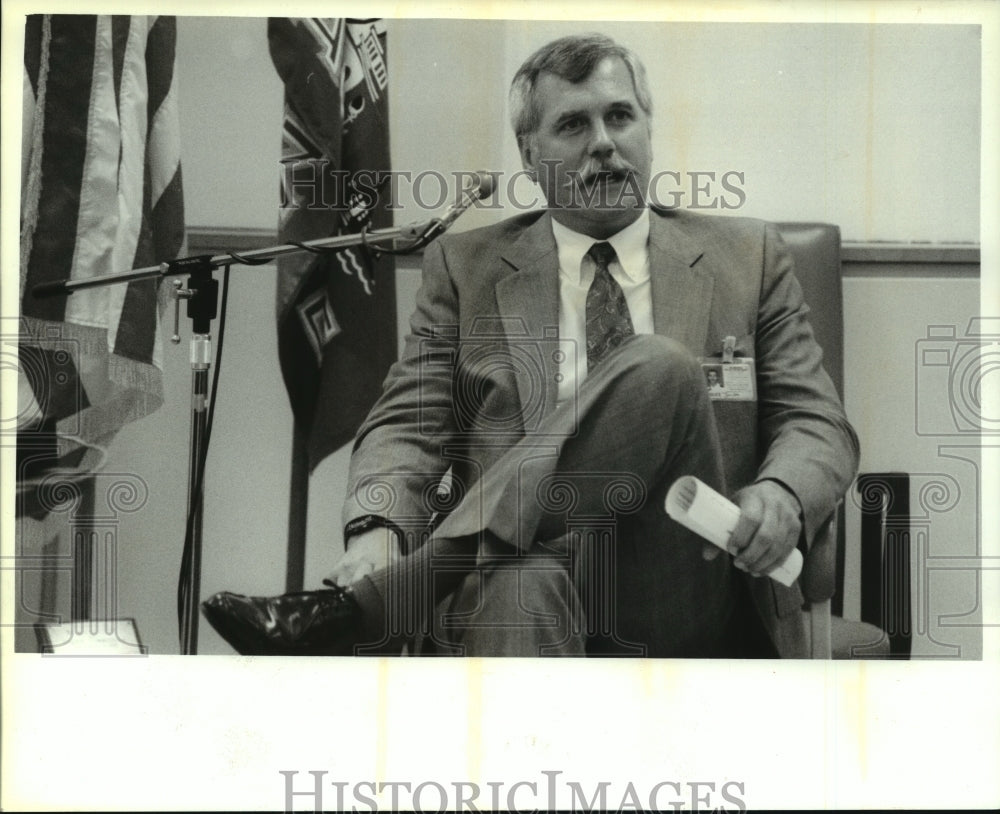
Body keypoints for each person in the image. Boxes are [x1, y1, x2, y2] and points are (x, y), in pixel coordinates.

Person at [203, 33, 859, 658]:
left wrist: (781, 493)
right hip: (521, 572)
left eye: (620, 116)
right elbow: (407, 423)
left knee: (661, 366)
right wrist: (376, 527)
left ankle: (390, 599)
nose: (604, 143)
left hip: (684, 573)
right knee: (519, 588)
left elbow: (815, 420)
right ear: (528, 154)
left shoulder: (747, 257)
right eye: (573, 125)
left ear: (649, 131)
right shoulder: (469, 267)